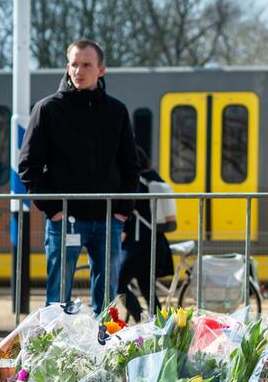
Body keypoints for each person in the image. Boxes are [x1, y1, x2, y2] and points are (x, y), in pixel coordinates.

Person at [18, 39, 139, 315]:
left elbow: (131, 166)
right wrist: (54, 210)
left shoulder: (117, 111)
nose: (79, 71)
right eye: (74, 64)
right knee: (57, 299)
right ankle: (54, 352)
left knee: (106, 301)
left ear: (101, 70)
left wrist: (121, 213)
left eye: (87, 65)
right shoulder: (47, 109)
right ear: (67, 67)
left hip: (109, 220)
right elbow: (28, 165)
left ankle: (104, 350)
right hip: (64, 219)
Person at [118, 147, 175, 323]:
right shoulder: (153, 178)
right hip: (155, 242)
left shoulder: (137, 182)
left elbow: (128, 210)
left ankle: (139, 319)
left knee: (117, 283)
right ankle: (160, 325)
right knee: (147, 287)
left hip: (138, 244)